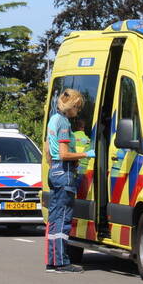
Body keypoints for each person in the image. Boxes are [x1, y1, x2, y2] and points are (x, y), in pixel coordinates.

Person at [45, 89, 94, 273]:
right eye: (78, 107)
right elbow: (64, 154)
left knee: (55, 218)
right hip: (65, 171)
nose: (78, 111)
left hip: (55, 170)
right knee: (63, 219)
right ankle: (62, 262)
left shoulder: (53, 119)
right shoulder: (64, 123)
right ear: (72, 105)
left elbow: (52, 151)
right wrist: (85, 154)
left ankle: (52, 261)